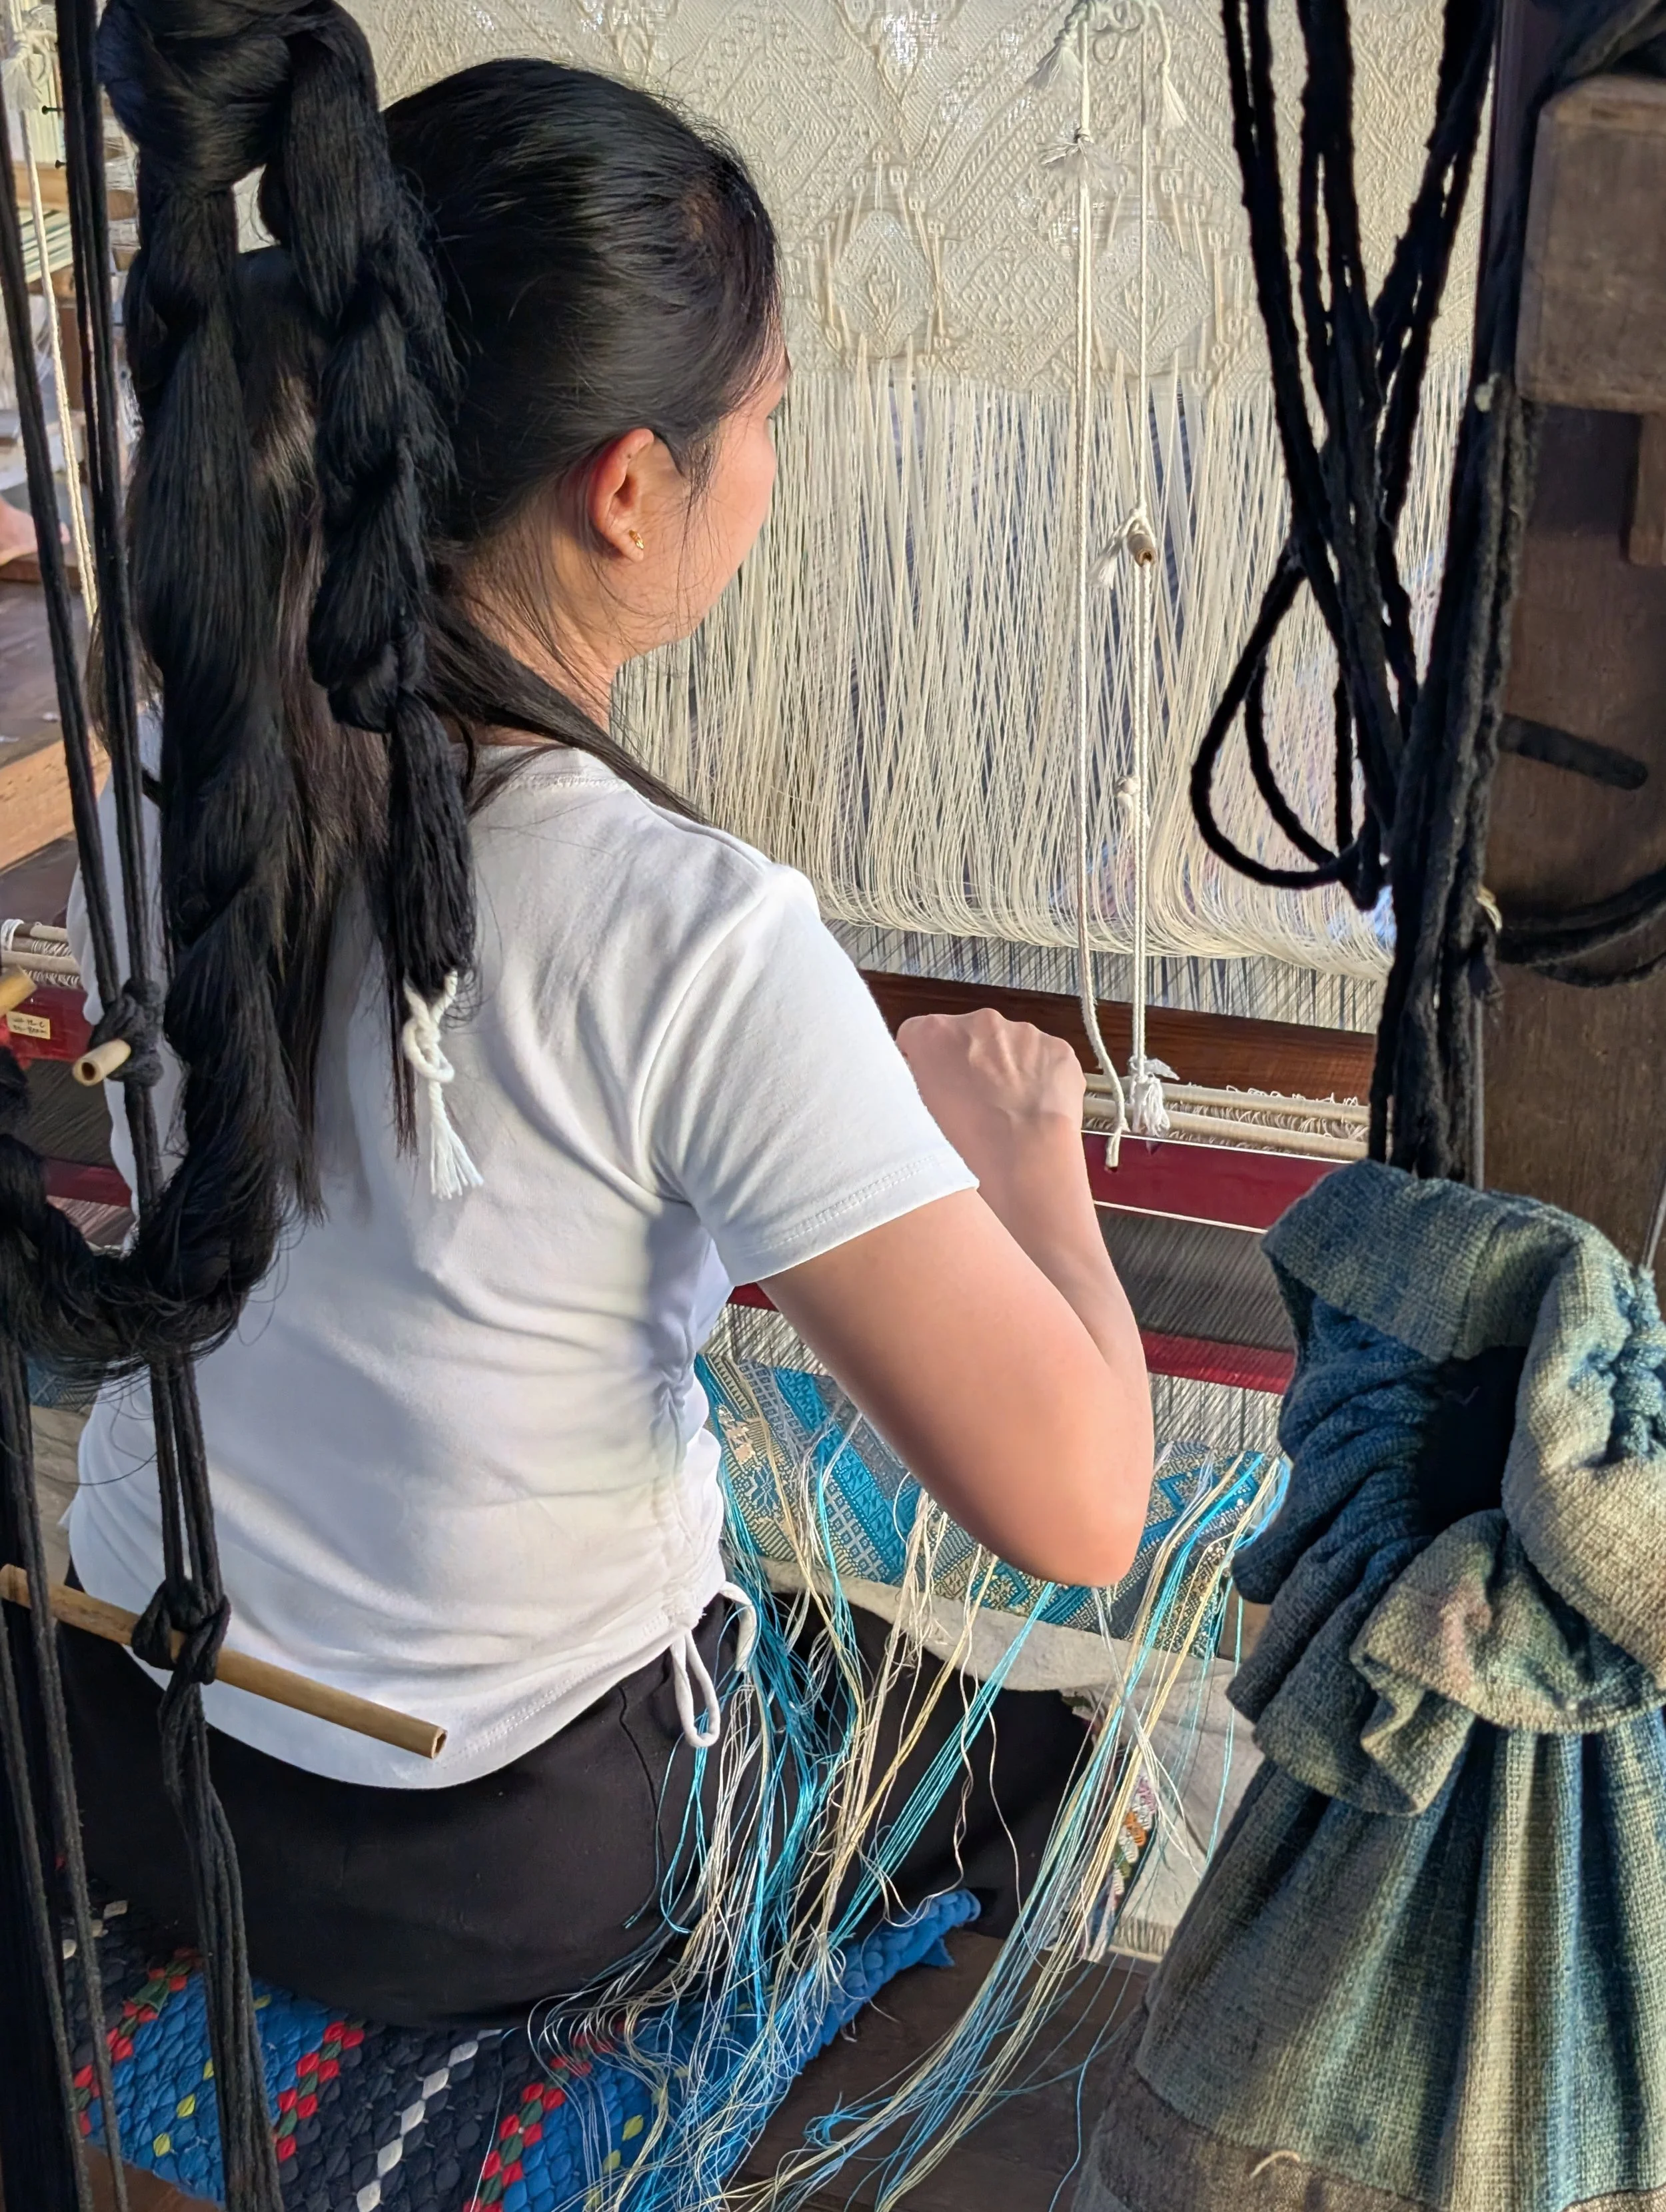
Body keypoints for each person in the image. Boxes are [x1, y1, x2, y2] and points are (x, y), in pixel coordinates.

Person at [57, 27, 1152, 2027]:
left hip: (135, 1744)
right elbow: (1080, 1509)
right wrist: (1025, 1172)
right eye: (770, 426)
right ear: (631, 489)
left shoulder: (164, 785)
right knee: (1039, 1758)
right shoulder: (686, 933)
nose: (774, 473)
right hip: (477, 1873)